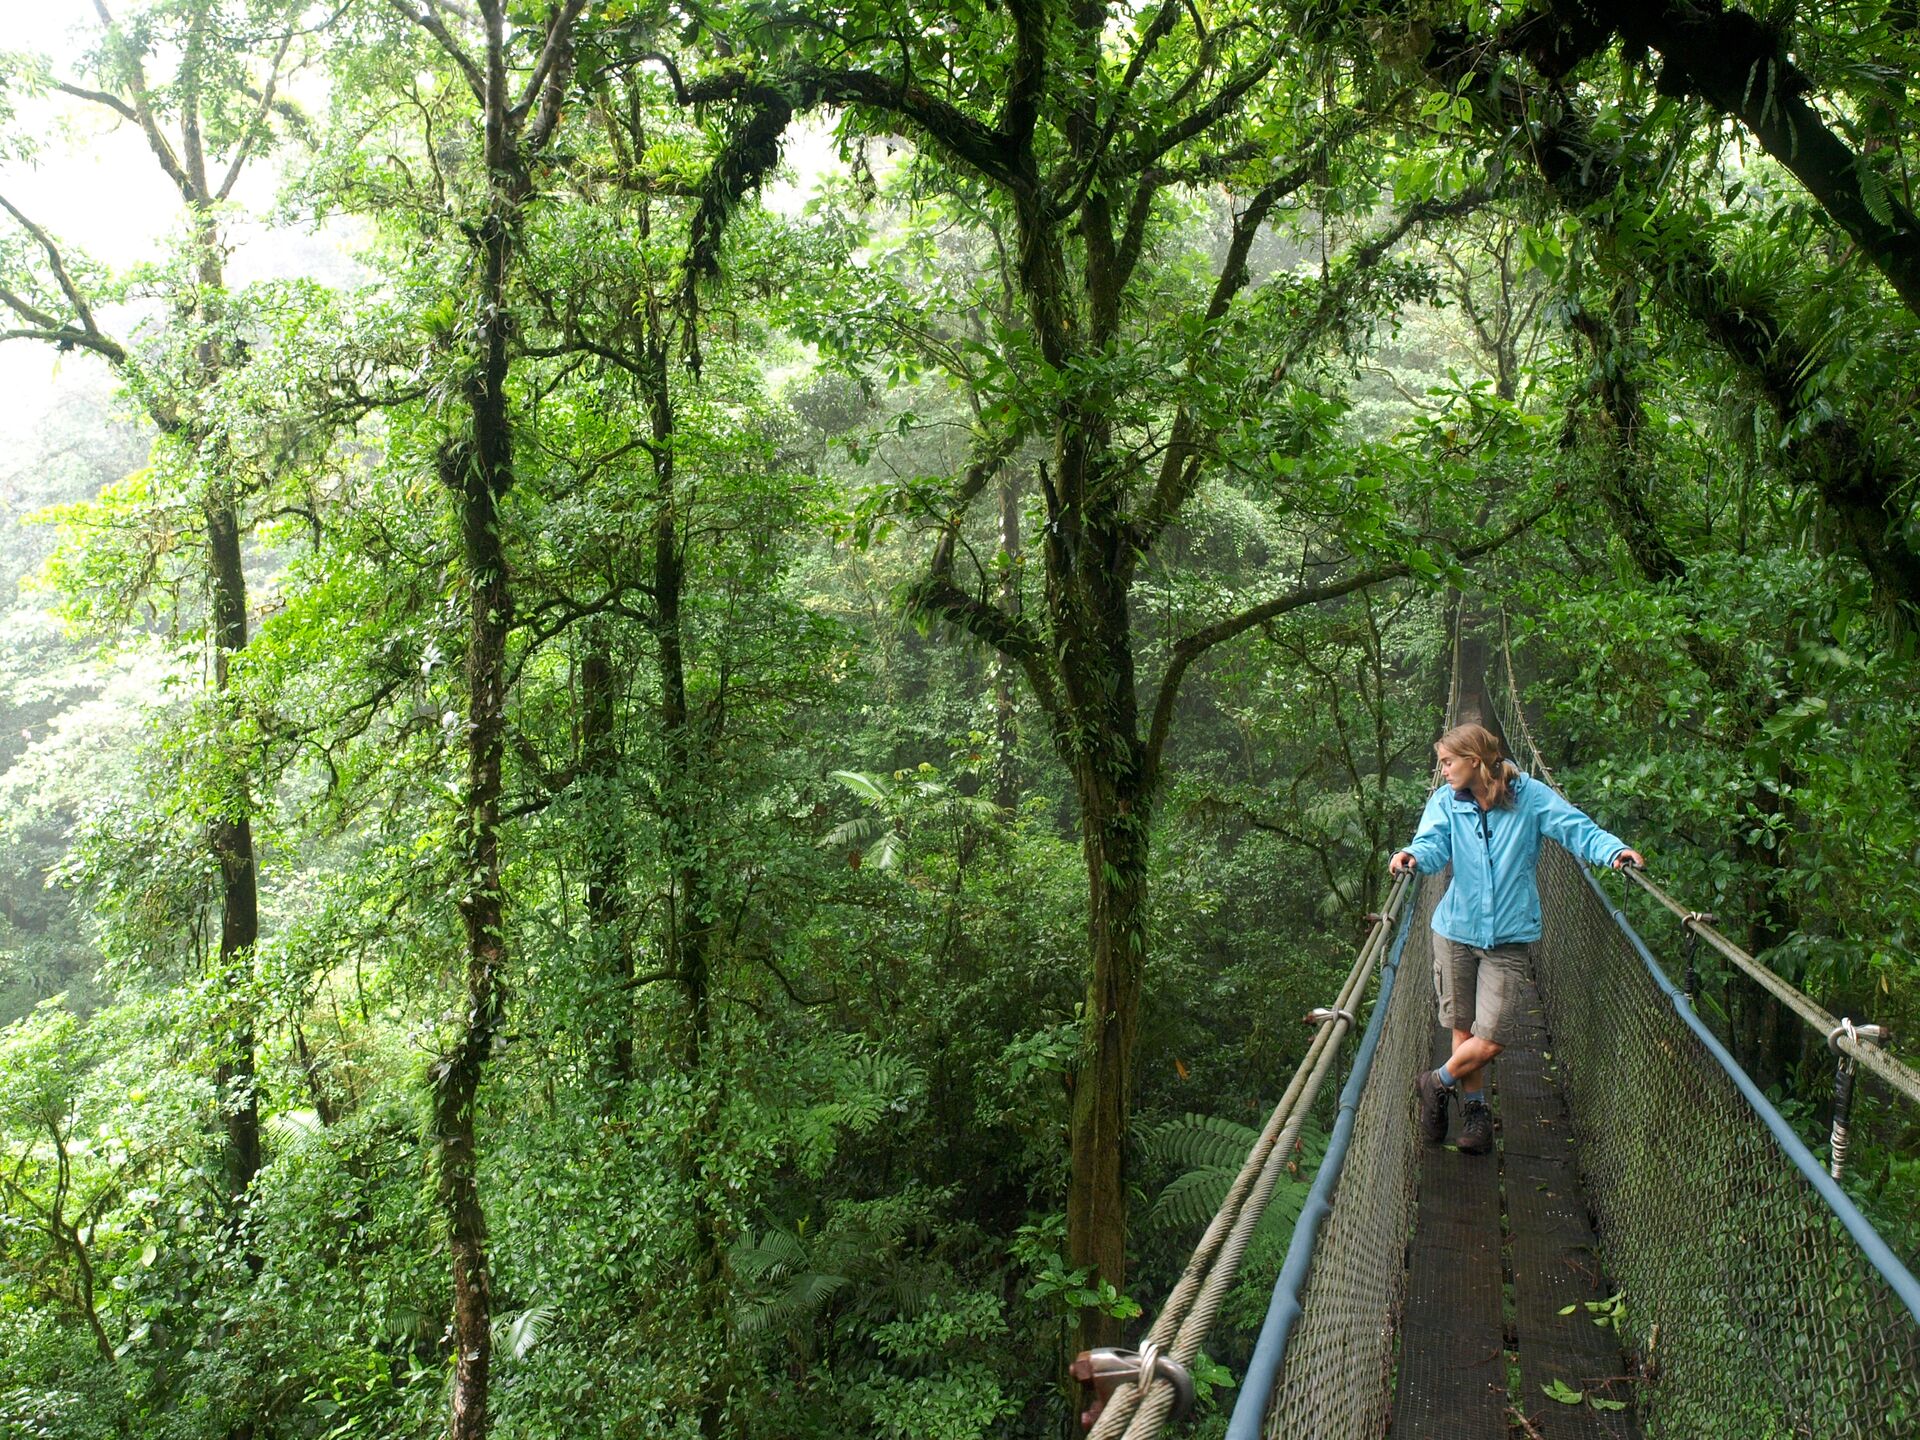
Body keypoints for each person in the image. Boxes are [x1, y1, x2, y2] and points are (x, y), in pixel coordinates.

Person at [1388, 722, 1643, 1155]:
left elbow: (1576, 828)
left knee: (1495, 1033)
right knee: (1462, 1026)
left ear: (1475, 760)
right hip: (1455, 930)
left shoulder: (1530, 797)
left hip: (1509, 935)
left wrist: (1613, 851)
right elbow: (1431, 845)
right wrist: (1412, 855)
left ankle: (1436, 1083)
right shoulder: (1445, 802)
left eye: (1448, 762)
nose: (1444, 771)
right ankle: (1475, 1113)